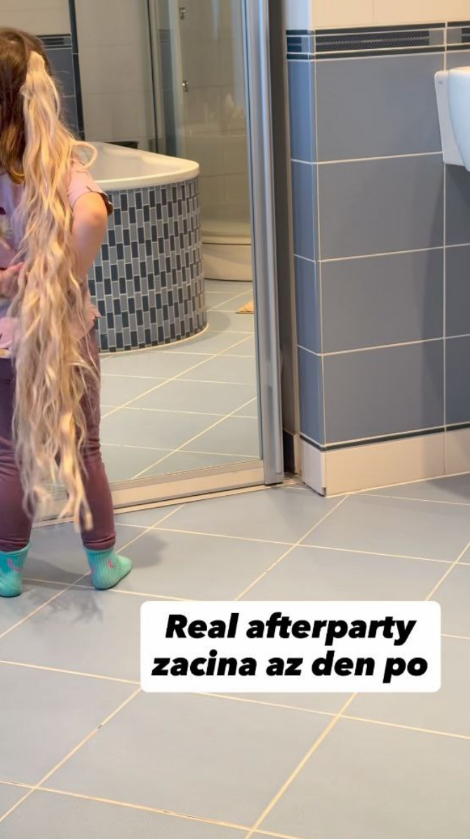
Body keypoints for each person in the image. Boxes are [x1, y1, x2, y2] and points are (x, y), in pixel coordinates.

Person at [0, 28, 132, 597]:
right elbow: (93, 216)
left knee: (9, 454)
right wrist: (65, 276)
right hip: (65, 331)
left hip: (5, 336)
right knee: (82, 448)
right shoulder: (60, 163)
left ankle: (8, 570)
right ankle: (102, 562)